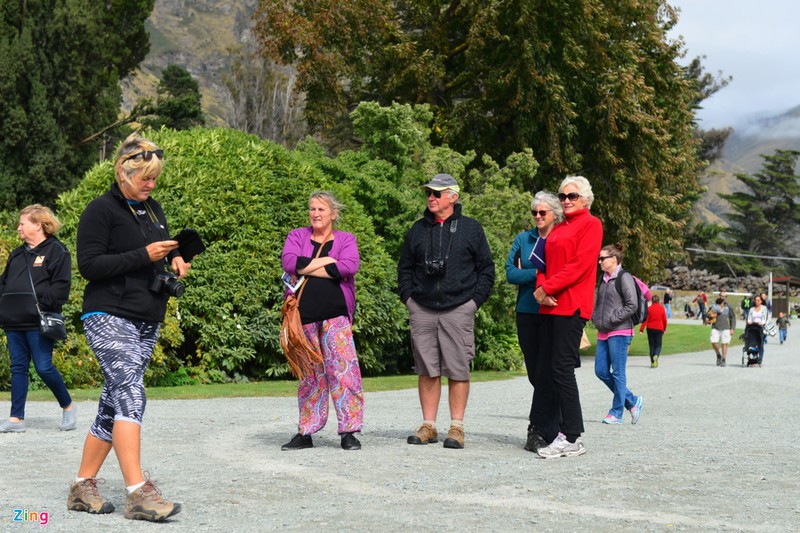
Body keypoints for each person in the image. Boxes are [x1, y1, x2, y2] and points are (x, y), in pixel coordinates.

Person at [67, 134, 188, 521]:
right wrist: (142, 255)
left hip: (146, 317)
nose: (151, 185)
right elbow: (90, 266)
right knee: (131, 394)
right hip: (107, 313)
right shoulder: (99, 210)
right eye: (144, 178)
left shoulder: (153, 209)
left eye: (154, 178)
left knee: (112, 403)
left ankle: (82, 488)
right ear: (122, 171)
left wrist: (176, 258)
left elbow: (156, 251)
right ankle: (139, 493)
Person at [398, 173, 494, 450]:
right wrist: (409, 299)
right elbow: (404, 268)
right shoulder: (417, 229)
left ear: (453, 196)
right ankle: (428, 425)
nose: (431, 197)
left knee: (458, 368)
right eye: (428, 192)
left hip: (459, 307)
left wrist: (473, 303)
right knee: (427, 369)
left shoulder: (471, 228)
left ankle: (457, 427)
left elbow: (486, 270)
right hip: (423, 308)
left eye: (437, 193)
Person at [279, 191, 364, 452]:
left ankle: (349, 431)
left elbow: (348, 267)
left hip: (336, 316)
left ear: (333, 214)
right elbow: (289, 262)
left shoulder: (346, 239)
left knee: (344, 372)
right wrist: (327, 262)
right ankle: (306, 431)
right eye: (312, 209)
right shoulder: (297, 235)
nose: (315, 214)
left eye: (321, 210)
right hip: (303, 317)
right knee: (310, 375)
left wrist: (309, 266)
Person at [532, 175, 602, 458]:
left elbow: (580, 266)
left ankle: (572, 436)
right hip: (549, 305)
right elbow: (541, 261)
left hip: (571, 305)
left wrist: (547, 287)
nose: (566, 201)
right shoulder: (559, 228)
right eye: (562, 196)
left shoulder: (591, 225)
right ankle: (554, 431)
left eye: (572, 196)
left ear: (585, 199)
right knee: (547, 370)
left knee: (561, 369)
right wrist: (541, 288)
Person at [0, 205, 75, 434]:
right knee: (18, 368)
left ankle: (68, 405)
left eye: (23, 223)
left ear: (39, 224)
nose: (19, 228)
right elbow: (4, 283)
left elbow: (61, 286)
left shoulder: (57, 250)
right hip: (13, 321)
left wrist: (40, 305)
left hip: (39, 321)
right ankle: (16, 419)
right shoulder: (17, 253)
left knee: (43, 367)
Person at [505, 191, 563, 452]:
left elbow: (564, 272)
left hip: (553, 311)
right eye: (535, 213)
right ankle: (553, 426)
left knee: (547, 372)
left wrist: (535, 274)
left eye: (543, 212)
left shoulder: (561, 237)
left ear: (554, 214)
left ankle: (540, 429)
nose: (538, 216)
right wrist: (538, 273)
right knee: (534, 372)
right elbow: (510, 273)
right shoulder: (524, 238)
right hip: (527, 310)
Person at [592, 243, 643, 425]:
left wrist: (613, 318)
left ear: (613, 259)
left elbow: (632, 304)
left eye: (602, 258)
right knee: (601, 371)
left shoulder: (624, 277)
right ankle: (632, 400)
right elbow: (598, 303)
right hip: (603, 331)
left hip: (620, 331)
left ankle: (616, 413)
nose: (599, 262)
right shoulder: (603, 278)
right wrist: (595, 317)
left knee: (618, 373)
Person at [639, 294, 667, 368]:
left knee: (651, 345)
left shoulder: (649, 309)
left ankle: (652, 362)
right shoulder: (661, 308)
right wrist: (664, 329)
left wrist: (641, 329)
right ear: (658, 300)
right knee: (658, 345)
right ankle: (656, 355)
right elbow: (664, 320)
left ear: (652, 300)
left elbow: (645, 320)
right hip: (659, 328)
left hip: (650, 328)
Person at [709, 297, 736, 367]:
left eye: (724, 296)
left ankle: (723, 359)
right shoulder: (713, 306)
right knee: (713, 341)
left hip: (726, 327)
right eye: (722, 296)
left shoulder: (728, 307)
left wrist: (732, 328)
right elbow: (707, 315)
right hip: (715, 326)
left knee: (724, 343)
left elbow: (732, 317)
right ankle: (718, 355)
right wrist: (710, 316)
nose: (723, 298)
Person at [747, 295, 769, 366]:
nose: (757, 301)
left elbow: (765, 318)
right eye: (756, 300)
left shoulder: (764, 308)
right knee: (753, 344)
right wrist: (749, 321)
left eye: (758, 300)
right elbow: (749, 318)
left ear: (761, 301)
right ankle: (754, 359)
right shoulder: (752, 309)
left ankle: (760, 360)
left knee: (761, 345)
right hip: (753, 328)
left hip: (761, 328)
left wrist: (762, 323)